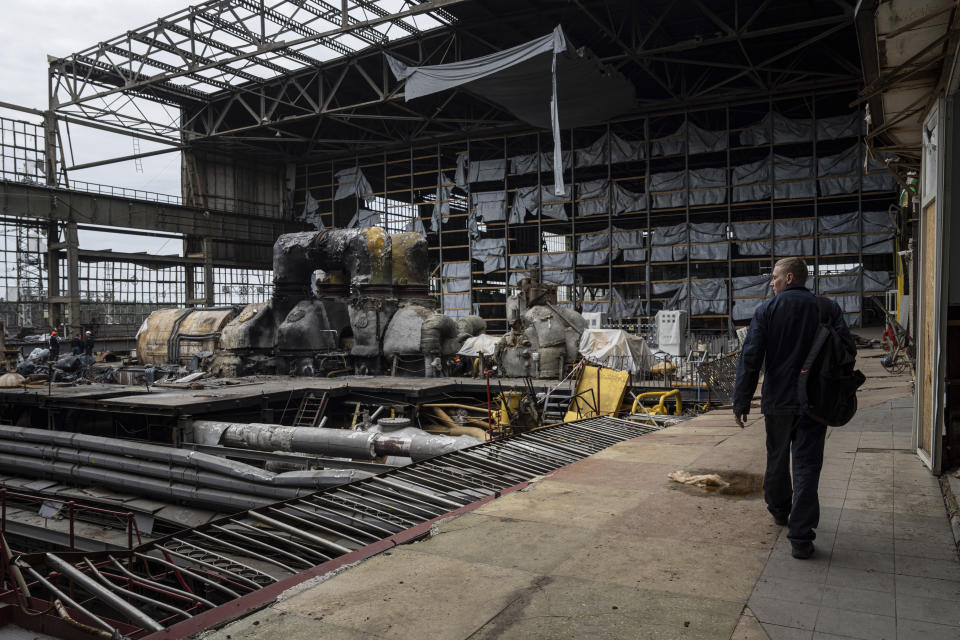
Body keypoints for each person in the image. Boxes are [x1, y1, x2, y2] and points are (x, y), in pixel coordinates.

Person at [732, 257, 854, 560]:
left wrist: (741, 401)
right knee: (807, 467)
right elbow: (848, 353)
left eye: (774, 277)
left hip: (778, 402)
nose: (771, 282)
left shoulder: (766, 312)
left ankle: (779, 510)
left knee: (776, 459)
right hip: (816, 402)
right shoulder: (827, 309)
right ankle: (800, 538)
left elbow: (751, 359)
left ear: (789, 278)